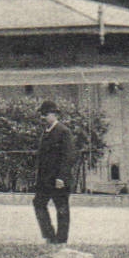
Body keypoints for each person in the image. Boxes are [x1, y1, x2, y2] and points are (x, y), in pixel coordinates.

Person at [32, 100, 74, 244]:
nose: (43, 118)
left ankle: (61, 239)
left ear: (54, 114)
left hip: (58, 180)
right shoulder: (45, 133)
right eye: (42, 115)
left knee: (61, 208)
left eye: (45, 114)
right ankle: (49, 235)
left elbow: (68, 156)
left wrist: (62, 177)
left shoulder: (64, 132)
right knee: (38, 203)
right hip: (45, 180)